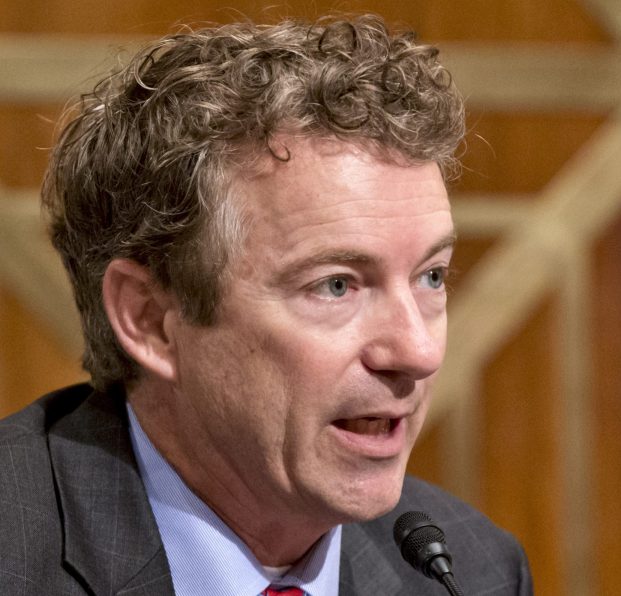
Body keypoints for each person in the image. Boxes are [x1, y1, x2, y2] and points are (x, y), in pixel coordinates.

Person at [0, 14, 532, 595]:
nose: (418, 351)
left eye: (431, 276)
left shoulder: (476, 571)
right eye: (337, 285)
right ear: (150, 320)